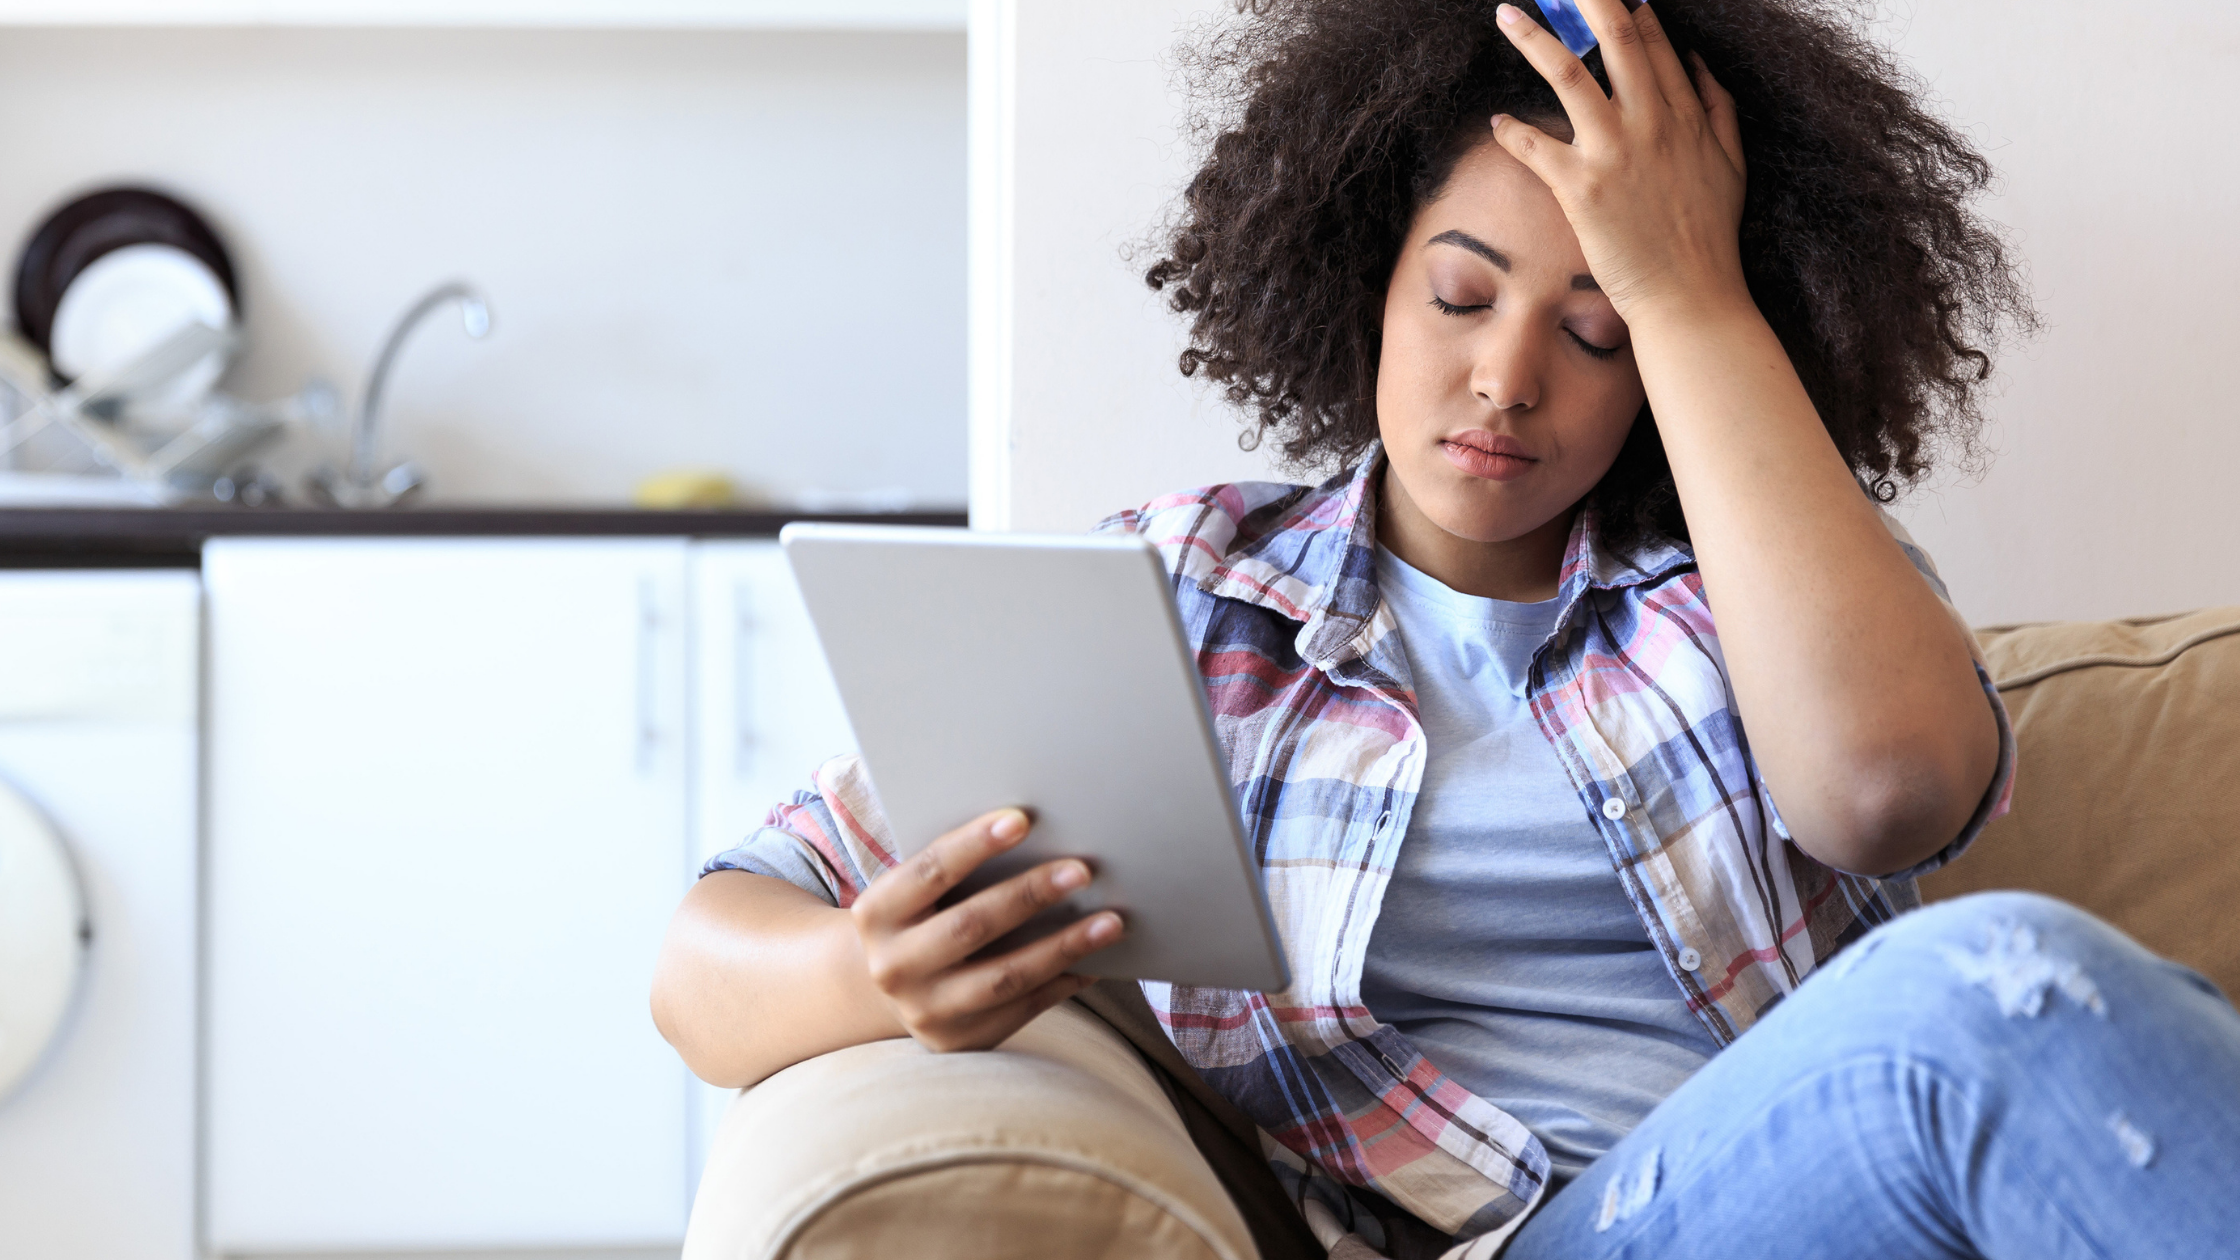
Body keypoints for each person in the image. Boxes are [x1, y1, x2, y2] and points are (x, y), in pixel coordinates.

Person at [652, 1, 2240, 1255]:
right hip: (1518, 1235)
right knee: (1992, 986)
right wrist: (876, 969)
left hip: (1818, 1202)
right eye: (1462, 299)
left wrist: (1689, 283)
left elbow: (1886, 786)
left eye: (1599, 330)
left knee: (2010, 995)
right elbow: (708, 951)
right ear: (1366, 287)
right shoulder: (1189, 600)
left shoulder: (1743, 586)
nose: (1507, 381)